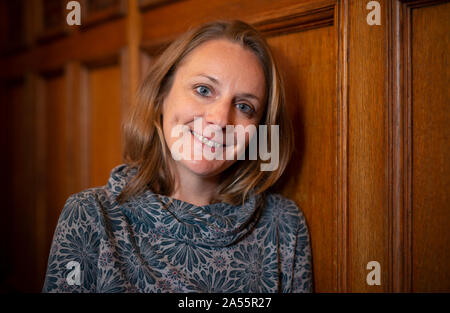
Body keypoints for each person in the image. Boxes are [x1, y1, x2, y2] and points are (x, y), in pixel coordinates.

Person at [42, 20, 313, 293]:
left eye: (244, 106)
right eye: (203, 90)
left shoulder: (284, 226)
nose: (220, 120)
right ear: (161, 95)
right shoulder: (90, 216)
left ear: (259, 132)